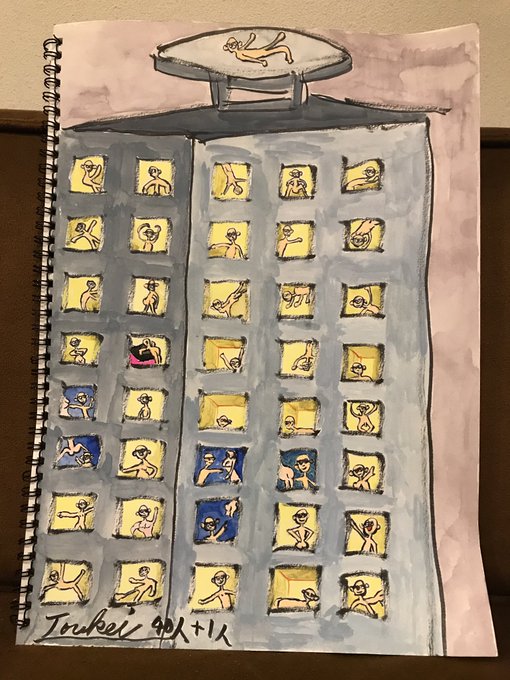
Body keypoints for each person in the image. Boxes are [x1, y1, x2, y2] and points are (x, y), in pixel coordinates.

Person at [223, 31, 293, 67]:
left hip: (259, 50)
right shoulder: (239, 55)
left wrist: (251, 39)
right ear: (228, 48)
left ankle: (288, 58)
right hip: (261, 53)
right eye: (231, 45)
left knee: (275, 45)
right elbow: (250, 59)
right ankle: (289, 58)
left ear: (237, 43)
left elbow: (246, 45)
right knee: (281, 48)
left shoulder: (240, 50)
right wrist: (260, 61)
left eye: (234, 43)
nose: (233, 45)